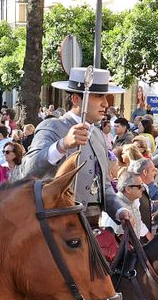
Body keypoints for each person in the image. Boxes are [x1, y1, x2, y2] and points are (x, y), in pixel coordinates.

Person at [21, 66, 148, 241]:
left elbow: (103, 185)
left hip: (93, 228)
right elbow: (28, 170)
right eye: (98, 96)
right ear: (75, 99)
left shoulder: (98, 135)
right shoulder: (52, 127)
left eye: (105, 96)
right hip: (57, 230)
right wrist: (63, 144)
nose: (105, 103)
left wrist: (120, 209)